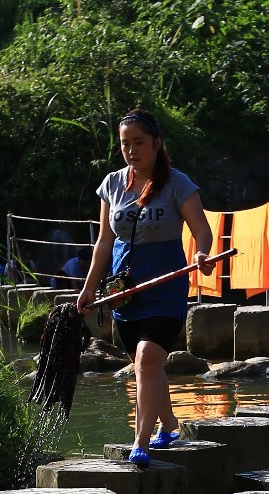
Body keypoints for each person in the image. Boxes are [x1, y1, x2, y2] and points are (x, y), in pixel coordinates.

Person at [76, 110, 213, 465]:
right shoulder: (111, 184)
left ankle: (142, 441)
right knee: (144, 365)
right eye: (125, 144)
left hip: (165, 288)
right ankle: (168, 424)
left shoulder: (178, 184)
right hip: (125, 290)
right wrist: (90, 288)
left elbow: (201, 229)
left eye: (139, 142)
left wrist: (201, 254)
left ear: (156, 143)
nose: (132, 150)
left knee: (147, 357)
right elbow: (105, 242)